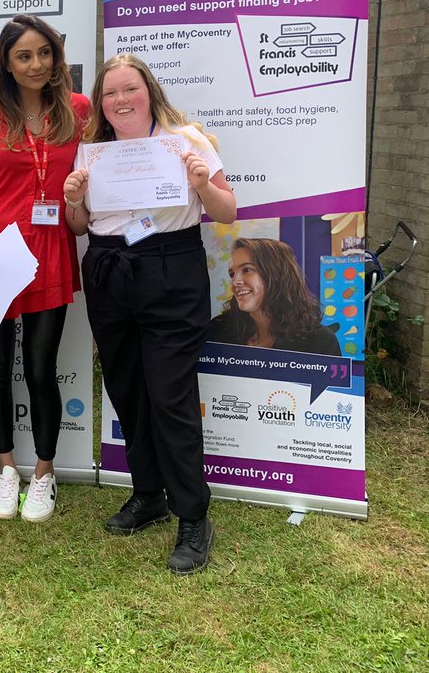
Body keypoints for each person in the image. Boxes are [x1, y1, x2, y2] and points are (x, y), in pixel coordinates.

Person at [64, 53, 236, 575]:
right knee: (126, 387)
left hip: (170, 269)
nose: (120, 100)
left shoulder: (186, 140)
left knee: (171, 395)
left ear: (149, 91)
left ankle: (192, 514)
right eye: (110, 92)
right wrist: (74, 199)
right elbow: (78, 226)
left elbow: (227, 211)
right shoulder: (92, 151)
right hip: (110, 271)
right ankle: (149, 494)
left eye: (129, 89)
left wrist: (203, 183)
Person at [0, 14, 90, 523]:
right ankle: (6, 470)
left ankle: (43, 474)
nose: (36, 64)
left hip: (52, 247)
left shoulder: (77, 111)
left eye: (44, 53)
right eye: (24, 56)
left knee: (40, 369)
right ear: (7, 64)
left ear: (56, 58)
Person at [208, 238, 342, 355]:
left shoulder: (319, 341)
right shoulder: (218, 331)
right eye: (232, 274)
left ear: (276, 275)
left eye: (247, 270)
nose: (235, 281)